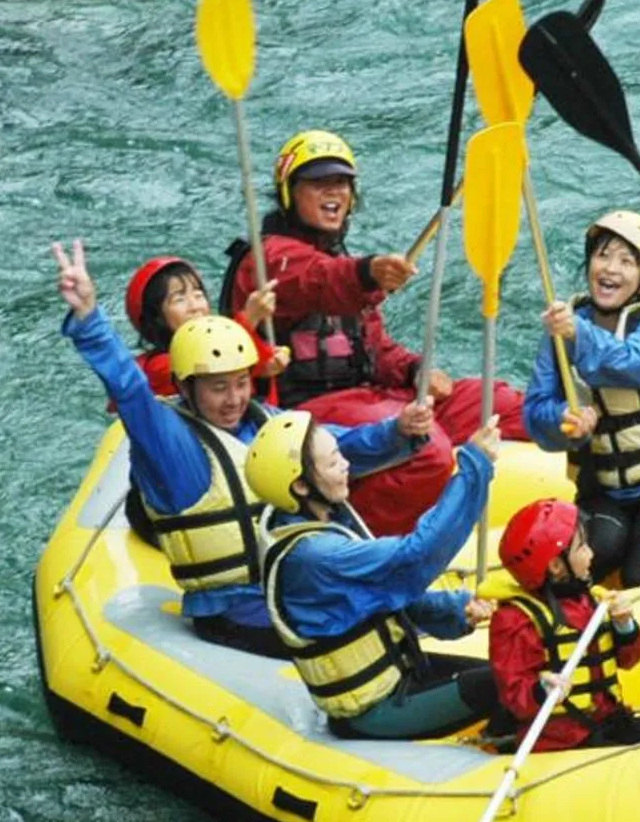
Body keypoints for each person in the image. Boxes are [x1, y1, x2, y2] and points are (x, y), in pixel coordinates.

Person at [53, 240, 431, 656]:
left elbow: (339, 448)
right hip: (236, 615)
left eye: (240, 383)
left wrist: (398, 430)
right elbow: (128, 388)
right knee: (381, 627)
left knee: (400, 609)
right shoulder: (173, 445)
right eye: (218, 388)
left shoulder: (263, 420)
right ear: (185, 388)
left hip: (289, 596)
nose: (233, 399)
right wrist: (88, 316)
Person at [222, 129, 527, 537]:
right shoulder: (266, 260)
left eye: (342, 182)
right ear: (289, 192)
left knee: (502, 403)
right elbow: (318, 280)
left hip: (370, 398)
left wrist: (415, 371)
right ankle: (369, 544)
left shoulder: (338, 259)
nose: (334, 191)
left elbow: (377, 349)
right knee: (428, 450)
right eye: (318, 182)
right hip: (306, 413)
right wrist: (367, 271)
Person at [247, 407, 504, 741]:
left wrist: (456, 609)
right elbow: (417, 555)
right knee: (506, 684)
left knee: (508, 673)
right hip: (374, 710)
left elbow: (383, 601)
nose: (346, 466)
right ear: (300, 485)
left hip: (401, 675)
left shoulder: (314, 520)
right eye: (333, 462)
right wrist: (476, 465)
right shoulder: (314, 556)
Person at [525, 210, 640, 585]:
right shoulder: (563, 328)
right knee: (576, 571)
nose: (611, 269)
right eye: (603, 255)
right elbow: (535, 414)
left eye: (627, 261)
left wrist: (578, 333)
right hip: (605, 491)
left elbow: (629, 363)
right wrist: (566, 419)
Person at [486, 499, 640, 751]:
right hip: (559, 741)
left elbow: (629, 660)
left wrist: (625, 626)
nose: (591, 554)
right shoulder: (515, 621)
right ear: (556, 566)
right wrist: (541, 689)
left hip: (610, 721)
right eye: (582, 547)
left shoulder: (591, 600)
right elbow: (515, 696)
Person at [119, 254, 285, 405]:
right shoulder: (159, 367)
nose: (195, 307)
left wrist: (268, 368)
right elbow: (215, 364)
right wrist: (249, 318)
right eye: (179, 299)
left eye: (198, 295)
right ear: (156, 318)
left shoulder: (226, 344)